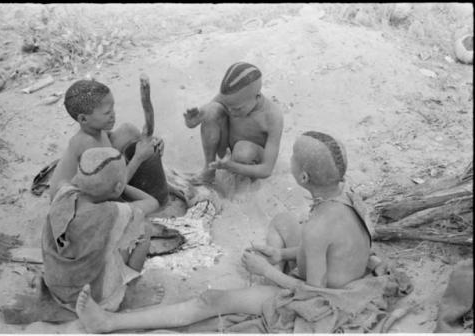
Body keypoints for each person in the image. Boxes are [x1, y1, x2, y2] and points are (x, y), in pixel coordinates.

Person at [73, 131, 378, 333]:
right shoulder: (345, 195)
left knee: (211, 300)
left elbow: (314, 294)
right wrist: (282, 254)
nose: (290, 160)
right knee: (284, 221)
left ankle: (108, 323)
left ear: (303, 176)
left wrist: (267, 271)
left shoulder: (317, 227)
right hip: (334, 267)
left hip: (328, 296)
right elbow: (325, 245)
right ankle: (267, 279)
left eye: (294, 158)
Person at [42, 147, 160, 314]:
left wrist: (110, 184)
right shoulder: (111, 213)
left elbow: (71, 183)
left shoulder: (63, 193)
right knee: (143, 227)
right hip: (90, 297)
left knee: (106, 236)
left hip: (57, 287)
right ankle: (130, 289)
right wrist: (122, 185)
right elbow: (152, 203)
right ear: (118, 187)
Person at [48, 78, 164, 209]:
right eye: (107, 113)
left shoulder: (95, 130)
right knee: (149, 205)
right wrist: (138, 157)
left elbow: (109, 139)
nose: (113, 115)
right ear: (83, 119)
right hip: (73, 204)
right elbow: (114, 189)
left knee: (128, 130)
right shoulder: (87, 144)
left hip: (99, 179)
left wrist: (150, 141)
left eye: (113, 109)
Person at [184, 62, 284, 185]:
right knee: (212, 110)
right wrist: (192, 121)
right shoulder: (231, 98)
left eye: (237, 109)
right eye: (228, 106)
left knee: (243, 151)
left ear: (257, 96)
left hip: (249, 157)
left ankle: (243, 183)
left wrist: (231, 166)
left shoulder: (272, 117)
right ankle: (209, 170)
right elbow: (204, 117)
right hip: (227, 152)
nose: (230, 111)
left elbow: (266, 170)